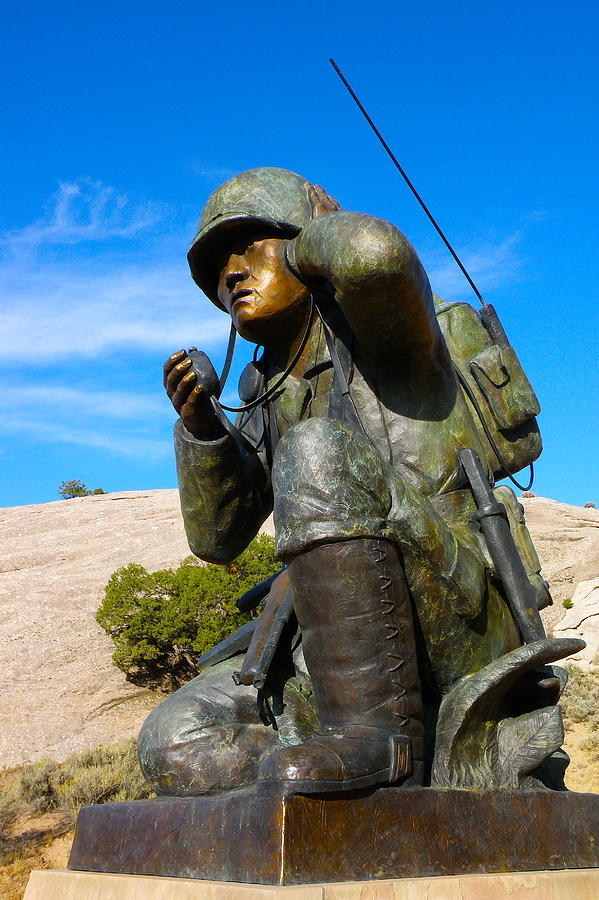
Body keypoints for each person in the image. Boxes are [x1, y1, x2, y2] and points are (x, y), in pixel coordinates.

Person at [138, 166, 549, 796]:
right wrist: (202, 426)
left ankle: (383, 747)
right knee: (175, 736)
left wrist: (309, 236)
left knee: (319, 449)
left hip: (454, 616)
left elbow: (377, 256)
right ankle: (318, 781)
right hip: (333, 655)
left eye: (251, 245)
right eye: (218, 266)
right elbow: (217, 540)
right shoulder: (264, 386)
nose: (232, 273)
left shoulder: (392, 331)